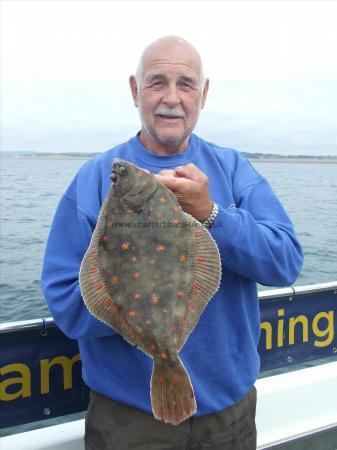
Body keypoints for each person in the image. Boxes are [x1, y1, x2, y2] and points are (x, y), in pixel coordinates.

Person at [41, 36, 303, 450]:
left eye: (185, 84)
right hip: (130, 422)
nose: (171, 98)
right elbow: (66, 304)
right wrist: (137, 308)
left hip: (229, 418)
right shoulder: (92, 179)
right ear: (134, 90)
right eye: (157, 82)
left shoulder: (233, 169)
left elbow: (285, 262)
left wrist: (212, 214)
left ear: (203, 93)